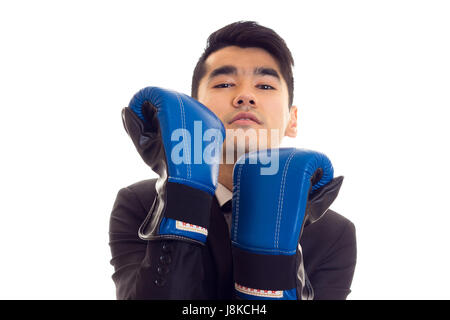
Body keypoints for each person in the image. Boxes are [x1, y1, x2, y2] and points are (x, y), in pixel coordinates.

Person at [109, 21, 357, 300]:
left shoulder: (334, 234)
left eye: (264, 85)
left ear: (292, 119)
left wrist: (271, 263)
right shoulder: (140, 203)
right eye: (224, 83)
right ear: (195, 108)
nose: (245, 97)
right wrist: (183, 196)